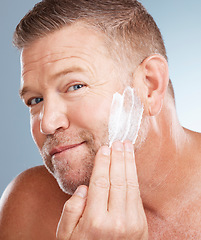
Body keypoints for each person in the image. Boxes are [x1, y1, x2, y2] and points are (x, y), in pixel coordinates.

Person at [0, 0, 201, 239]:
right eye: (35, 100)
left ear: (150, 85)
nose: (47, 123)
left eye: (75, 86)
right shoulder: (30, 205)